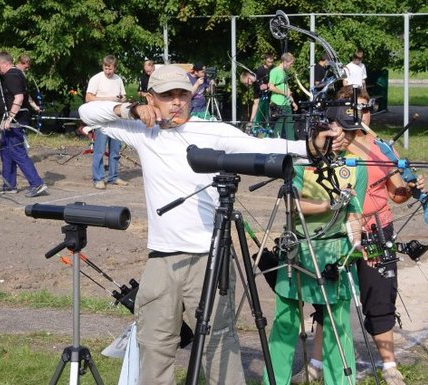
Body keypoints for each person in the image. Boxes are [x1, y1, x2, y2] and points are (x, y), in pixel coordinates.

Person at [78, 64, 345, 385]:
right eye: (167, 96)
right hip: (161, 259)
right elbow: (88, 112)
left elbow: (262, 148)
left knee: (219, 345)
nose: (176, 102)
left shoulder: (212, 130)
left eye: (182, 94)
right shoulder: (142, 130)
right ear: (151, 98)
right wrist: (129, 109)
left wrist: (312, 147)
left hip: (210, 259)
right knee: (154, 343)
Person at [291, 87, 423, 385]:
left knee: (379, 295)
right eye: (353, 108)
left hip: (376, 228)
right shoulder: (324, 145)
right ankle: (316, 363)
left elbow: (397, 193)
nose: (361, 114)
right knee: (329, 298)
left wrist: (411, 190)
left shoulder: (380, 146)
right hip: (336, 231)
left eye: (364, 108)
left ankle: (389, 366)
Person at [264, 115, 367, 385]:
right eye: (329, 130)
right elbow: (290, 203)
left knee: (338, 327)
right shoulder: (300, 161)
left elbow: (355, 215)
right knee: (285, 323)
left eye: (341, 131)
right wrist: (328, 205)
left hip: (335, 250)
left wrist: (355, 250)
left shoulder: (356, 166)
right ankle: (274, 381)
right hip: (297, 248)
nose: (336, 136)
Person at [0, 51, 47, 197]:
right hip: (8, 121)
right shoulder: (14, 75)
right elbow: (10, 97)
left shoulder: (12, 76)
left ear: (5, 63)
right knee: (5, 151)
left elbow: (19, 97)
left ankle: (37, 183)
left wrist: (10, 118)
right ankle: (9, 185)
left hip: (14, 121)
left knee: (17, 152)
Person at [85, 55, 129, 189]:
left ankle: (113, 177)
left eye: (110, 69)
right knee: (99, 151)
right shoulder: (96, 79)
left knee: (115, 151)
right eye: (106, 68)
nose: (108, 71)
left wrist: (122, 100)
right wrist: (108, 98)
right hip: (101, 121)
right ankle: (98, 178)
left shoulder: (118, 79)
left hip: (115, 120)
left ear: (115, 67)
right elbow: (88, 98)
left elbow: (124, 96)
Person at [269, 52, 298, 140]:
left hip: (287, 104)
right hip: (278, 104)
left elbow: (287, 88)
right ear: (285, 62)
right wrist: (284, 93)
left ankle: (292, 147)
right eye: (290, 63)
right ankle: (276, 148)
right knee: (278, 128)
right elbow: (271, 87)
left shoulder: (284, 72)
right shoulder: (274, 71)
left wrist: (293, 102)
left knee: (290, 127)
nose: (291, 66)